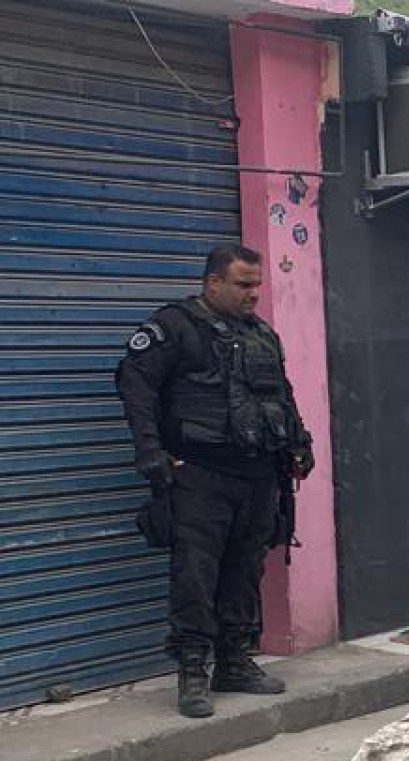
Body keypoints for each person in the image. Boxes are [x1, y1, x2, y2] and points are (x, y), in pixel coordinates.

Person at [117, 244, 314, 717]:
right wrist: (151, 453)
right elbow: (135, 385)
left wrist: (298, 443)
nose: (254, 295)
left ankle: (233, 661)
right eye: (244, 285)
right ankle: (191, 672)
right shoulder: (174, 327)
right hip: (200, 474)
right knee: (195, 573)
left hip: (258, 474)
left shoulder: (261, 333)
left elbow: (279, 393)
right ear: (213, 283)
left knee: (245, 569)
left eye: (258, 285)